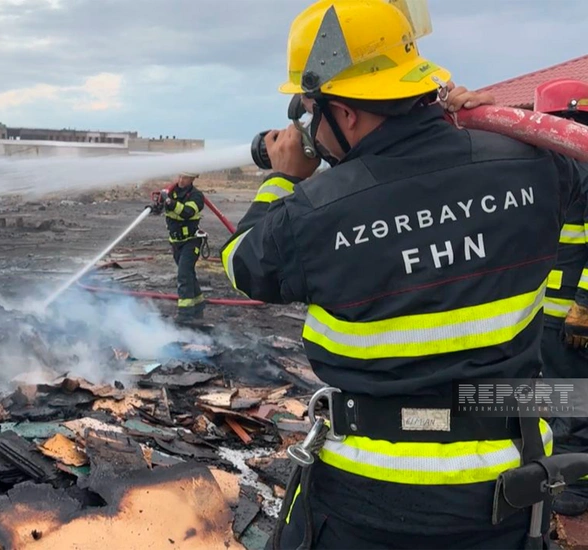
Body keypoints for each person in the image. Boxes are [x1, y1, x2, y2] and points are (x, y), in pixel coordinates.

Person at [219, 0, 588, 548]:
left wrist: (282, 178)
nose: (310, 127)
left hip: (368, 499)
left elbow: (243, 265)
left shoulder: (313, 212)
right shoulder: (537, 166)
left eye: (312, 111)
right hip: (506, 492)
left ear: (346, 113)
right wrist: (509, 131)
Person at [534, 78, 588, 517]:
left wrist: (583, 308)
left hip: (573, 317)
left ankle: (577, 488)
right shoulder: (557, 171)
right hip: (552, 315)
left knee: (575, 403)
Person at [152, 172, 206, 322]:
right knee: (188, 274)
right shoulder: (171, 191)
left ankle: (185, 314)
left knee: (183, 275)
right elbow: (162, 207)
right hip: (176, 242)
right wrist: (156, 207)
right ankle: (198, 308)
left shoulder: (196, 196)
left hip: (191, 241)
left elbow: (187, 212)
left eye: (186, 178)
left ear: (192, 179)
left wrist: (169, 202)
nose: (181, 180)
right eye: (180, 176)